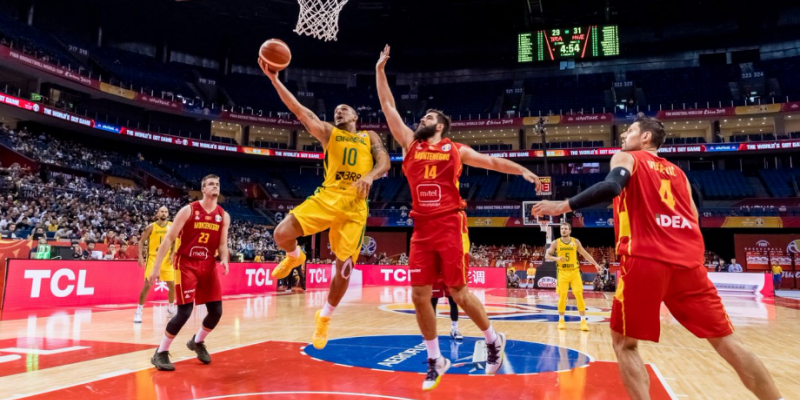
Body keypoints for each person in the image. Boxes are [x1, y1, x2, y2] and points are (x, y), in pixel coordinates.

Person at [532, 116, 782, 400]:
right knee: (727, 341)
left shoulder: (628, 158)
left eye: (630, 131)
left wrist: (563, 204)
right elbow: (694, 217)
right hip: (689, 263)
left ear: (647, 138)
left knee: (625, 344)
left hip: (645, 259)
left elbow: (612, 187)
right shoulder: (680, 174)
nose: (624, 136)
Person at [377, 44, 541, 390]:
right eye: (422, 118)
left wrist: (523, 170)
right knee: (419, 295)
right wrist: (380, 71)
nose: (421, 120)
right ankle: (435, 358)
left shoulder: (456, 150)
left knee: (459, 291)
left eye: (428, 119)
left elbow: (494, 162)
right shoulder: (410, 145)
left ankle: (494, 339)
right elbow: (389, 108)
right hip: (421, 228)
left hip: (451, 224)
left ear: (441, 126)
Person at [261, 59, 390, 351]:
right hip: (327, 196)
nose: (338, 111)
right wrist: (275, 80)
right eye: (336, 110)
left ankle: (325, 317)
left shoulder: (369, 136)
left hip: (355, 206)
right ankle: (295, 256)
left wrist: (370, 175)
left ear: (356, 115)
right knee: (280, 234)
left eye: (344, 109)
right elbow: (299, 110)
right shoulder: (329, 133)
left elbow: (383, 161)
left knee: (343, 268)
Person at [149, 175, 230, 372]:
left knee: (216, 312)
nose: (215, 187)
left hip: (208, 264)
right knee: (184, 312)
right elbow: (169, 239)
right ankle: (160, 352)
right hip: (186, 264)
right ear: (203, 189)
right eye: (211, 184)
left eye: (218, 184)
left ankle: (197, 341)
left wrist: (225, 258)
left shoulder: (223, 215)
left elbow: (222, 244)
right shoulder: (189, 210)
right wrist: (157, 266)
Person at [544, 222, 601, 331]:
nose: (563, 230)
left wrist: (595, 264)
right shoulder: (556, 243)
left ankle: (583, 321)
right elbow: (547, 255)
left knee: (579, 295)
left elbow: (585, 254)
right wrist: (557, 259)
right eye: (562, 229)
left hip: (574, 272)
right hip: (562, 272)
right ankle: (561, 320)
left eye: (566, 228)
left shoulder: (575, 242)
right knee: (562, 297)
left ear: (570, 231)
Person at [135, 206, 178, 324]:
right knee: (148, 285)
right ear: (157, 214)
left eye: (166, 211)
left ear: (168, 214)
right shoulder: (151, 227)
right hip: (153, 258)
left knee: (172, 286)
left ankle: (170, 309)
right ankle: (139, 311)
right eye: (161, 211)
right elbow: (141, 241)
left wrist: (171, 255)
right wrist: (140, 256)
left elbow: (174, 241)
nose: (164, 213)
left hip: (166, 260)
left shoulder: (172, 225)